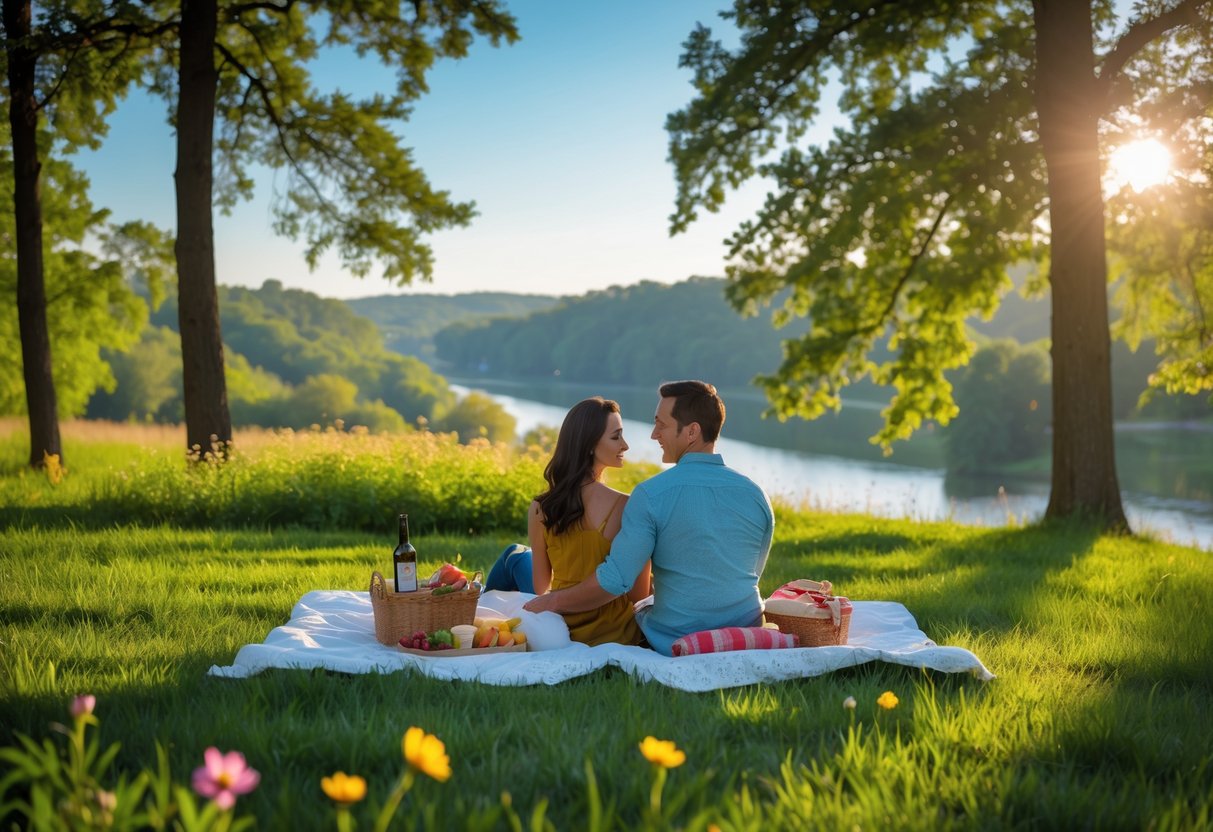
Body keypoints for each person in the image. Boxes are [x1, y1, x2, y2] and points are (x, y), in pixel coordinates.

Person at [523, 380, 775, 656]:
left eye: (661, 425)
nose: (654, 434)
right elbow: (751, 570)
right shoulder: (756, 495)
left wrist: (551, 601)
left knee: (517, 559)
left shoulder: (650, 495)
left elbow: (615, 581)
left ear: (692, 432)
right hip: (745, 630)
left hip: (675, 636)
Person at [485, 397, 651, 646]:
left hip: (564, 626)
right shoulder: (627, 506)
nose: (625, 445)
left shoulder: (541, 508)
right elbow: (637, 596)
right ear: (590, 446)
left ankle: (481, 604)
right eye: (616, 437)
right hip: (614, 632)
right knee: (516, 556)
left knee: (515, 556)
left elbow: (541, 586)